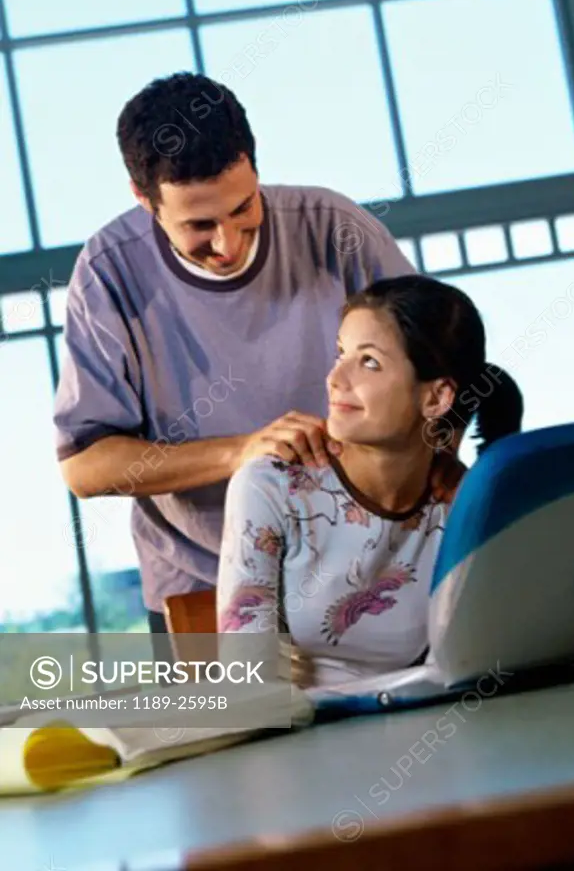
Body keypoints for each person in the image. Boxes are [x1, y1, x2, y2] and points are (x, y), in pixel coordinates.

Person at [53, 71, 425, 639]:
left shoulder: (337, 230)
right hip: (201, 591)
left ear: (253, 164)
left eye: (243, 207)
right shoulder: (108, 273)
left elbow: (438, 381)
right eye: (199, 225)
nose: (229, 243)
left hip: (368, 570)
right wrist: (243, 453)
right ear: (144, 200)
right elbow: (84, 467)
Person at [217, 274, 524, 687]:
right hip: (303, 737)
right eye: (340, 353)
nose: (335, 379)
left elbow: (483, 660)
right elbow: (246, 678)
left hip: (430, 728)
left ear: (436, 397)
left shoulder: (460, 505)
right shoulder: (271, 486)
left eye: (369, 362)